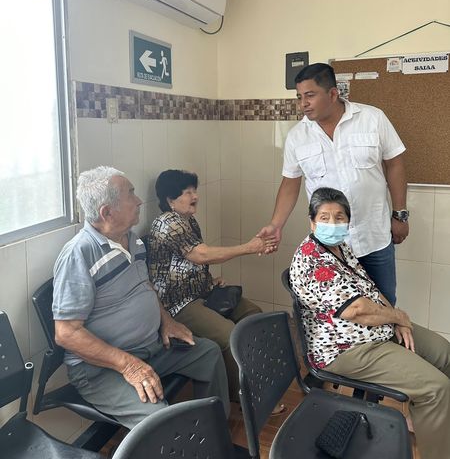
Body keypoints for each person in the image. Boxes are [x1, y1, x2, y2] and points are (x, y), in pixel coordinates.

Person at [52, 166, 229, 430]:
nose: (138, 201)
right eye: (131, 195)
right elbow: (66, 333)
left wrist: (166, 320)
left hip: (150, 347)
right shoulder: (79, 254)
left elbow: (145, 287)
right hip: (102, 369)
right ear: (107, 212)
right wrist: (129, 365)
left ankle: (213, 432)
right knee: (160, 420)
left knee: (208, 353)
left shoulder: (132, 240)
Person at [290, 186, 450, 459]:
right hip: (345, 349)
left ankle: (430, 423)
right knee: (436, 389)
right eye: (324, 218)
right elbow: (357, 310)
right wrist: (399, 317)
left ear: (348, 221)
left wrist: (397, 319)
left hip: (376, 330)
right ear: (312, 222)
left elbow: (371, 290)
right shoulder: (312, 260)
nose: (332, 224)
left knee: (444, 353)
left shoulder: (340, 248)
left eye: (339, 217)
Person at [259, 62, 408, 305]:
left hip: (374, 238)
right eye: (299, 97)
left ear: (332, 93)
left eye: (310, 95)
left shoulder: (372, 118)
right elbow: (290, 184)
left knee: (384, 306)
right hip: (329, 245)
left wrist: (400, 215)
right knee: (335, 312)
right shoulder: (297, 136)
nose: (303, 103)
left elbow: (395, 164)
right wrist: (276, 225)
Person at [148, 169, 282, 407]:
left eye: (195, 190)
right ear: (170, 199)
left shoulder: (188, 220)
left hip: (201, 292)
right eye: (188, 192)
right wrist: (250, 247)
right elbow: (201, 255)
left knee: (254, 315)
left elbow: (193, 262)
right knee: (229, 335)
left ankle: (260, 379)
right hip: (178, 304)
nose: (195, 196)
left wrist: (209, 281)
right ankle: (246, 396)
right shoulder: (167, 223)